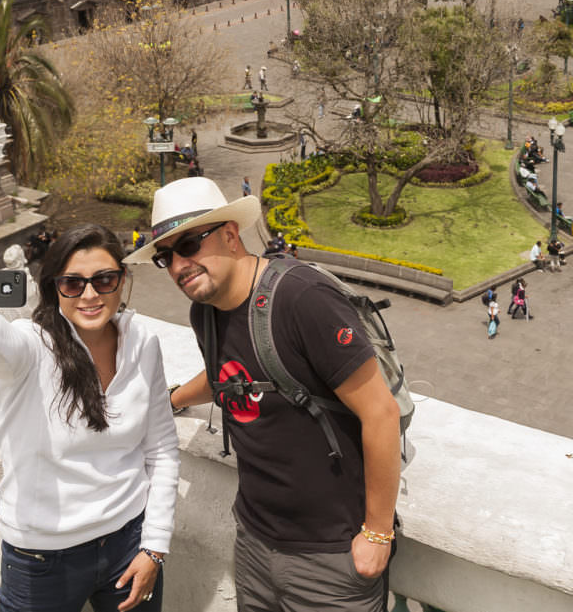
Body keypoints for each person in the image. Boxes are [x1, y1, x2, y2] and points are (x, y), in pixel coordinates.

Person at [148, 178, 401, 611]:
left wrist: (377, 534)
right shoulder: (203, 313)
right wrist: (169, 401)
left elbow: (381, 413)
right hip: (254, 540)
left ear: (230, 235)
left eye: (189, 244)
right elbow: (226, 375)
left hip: (331, 553)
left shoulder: (302, 298)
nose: (177, 266)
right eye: (164, 256)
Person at [0, 225, 179, 612]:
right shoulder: (31, 347)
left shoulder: (141, 342)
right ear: (54, 287)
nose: (89, 294)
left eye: (104, 280)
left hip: (129, 542)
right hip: (42, 560)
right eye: (72, 283)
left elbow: (162, 449)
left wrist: (155, 548)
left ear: (122, 280)